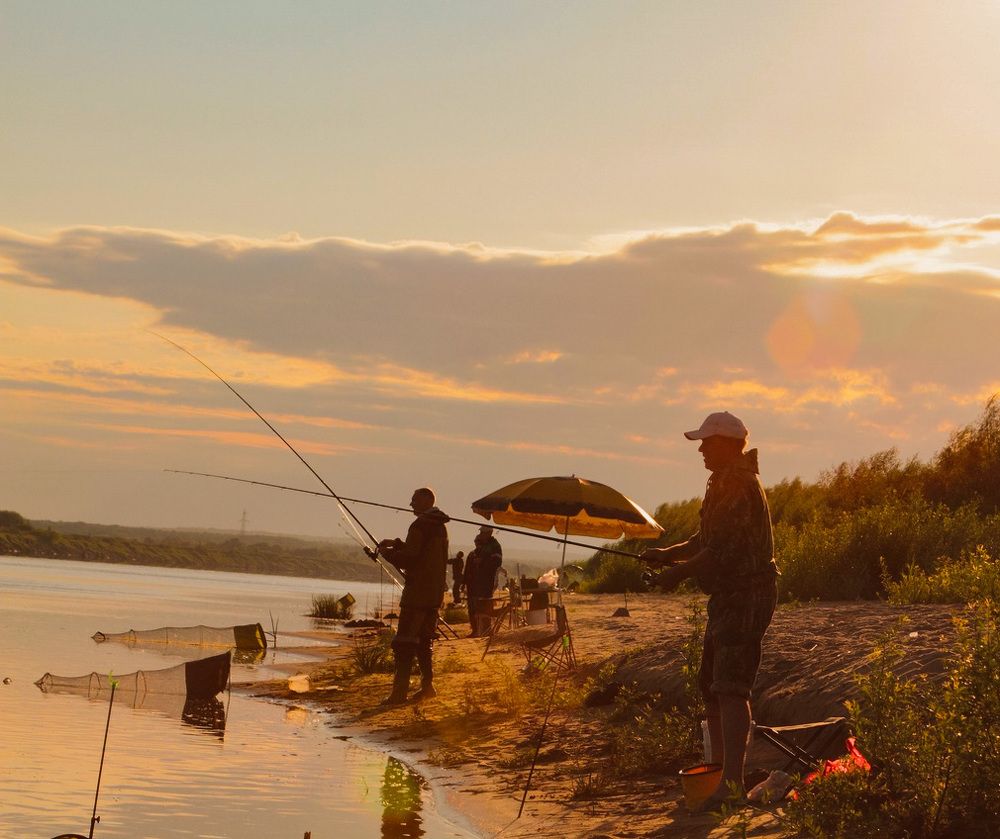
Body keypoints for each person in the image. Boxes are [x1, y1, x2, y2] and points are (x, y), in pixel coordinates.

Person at [640, 411, 778, 811]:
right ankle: (720, 775)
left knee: (731, 688)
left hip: (747, 593)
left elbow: (718, 551)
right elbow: (706, 538)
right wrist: (669, 554)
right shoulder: (722, 481)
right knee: (712, 687)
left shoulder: (737, 483)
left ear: (727, 444)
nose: (700, 448)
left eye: (706, 441)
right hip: (729, 595)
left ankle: (731, 787)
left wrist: (676, 574)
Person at [373, 487, 450, 705]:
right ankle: (427, 687)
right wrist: (397, 544)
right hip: (434, 594)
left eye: (414, 500)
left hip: (417, 594)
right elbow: (422, 553)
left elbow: (410, 559)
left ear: (426, 501)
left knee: (404, 643)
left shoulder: (420, 525)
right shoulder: (439, 527)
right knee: (424, 642)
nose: (411, 504)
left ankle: (399, 694)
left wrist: (389, 554)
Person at [463, 525, 503, 637]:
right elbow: (468, 569)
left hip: (486, 582)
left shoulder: (494, 546)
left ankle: (485, 630)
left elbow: (496, 563)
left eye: (483, 533)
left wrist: (482, 562)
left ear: (489, 533)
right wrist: (465, 581)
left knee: (484, 606)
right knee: (473, 607)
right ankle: (476, 630)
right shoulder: (476, 551)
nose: (481, 536)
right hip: (473, 584)